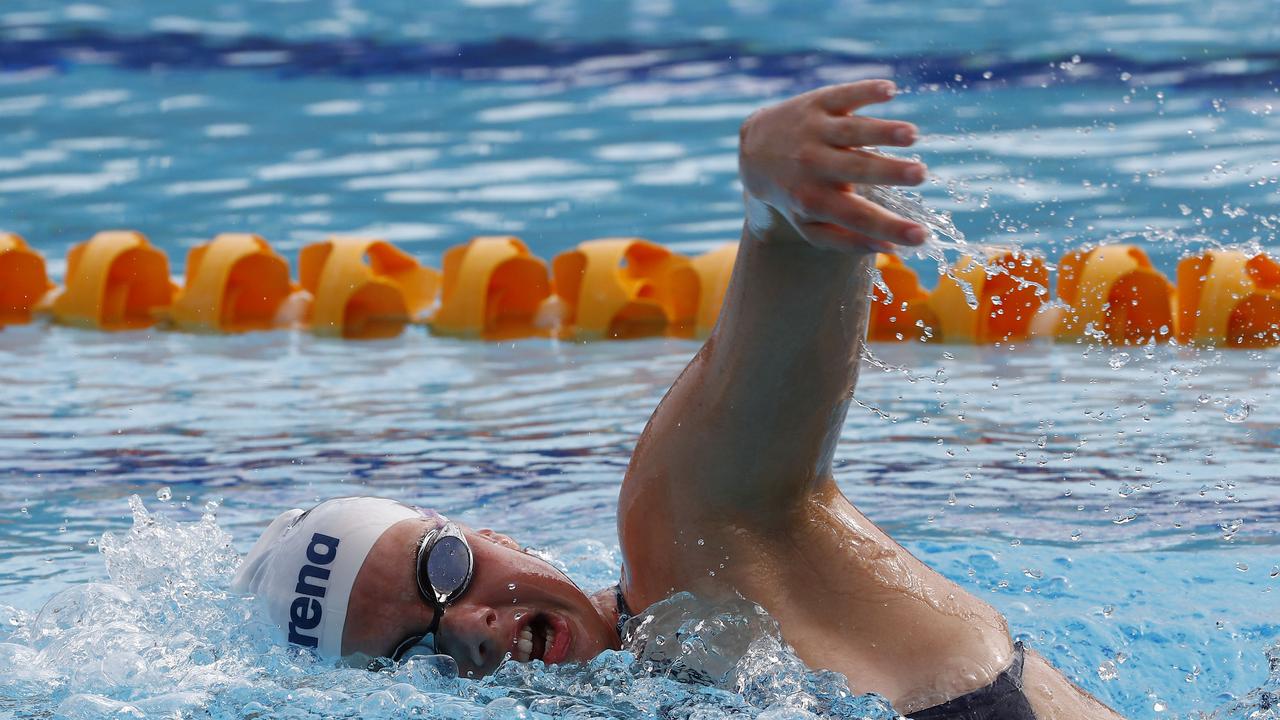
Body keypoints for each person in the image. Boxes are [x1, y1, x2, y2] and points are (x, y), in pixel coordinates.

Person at [233, 80, 1123, 720]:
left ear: (491, 535)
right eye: (410, 654)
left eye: (446, 571)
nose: (469, 629)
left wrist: (781, 207)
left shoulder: (697, 551)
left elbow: (768, 383)